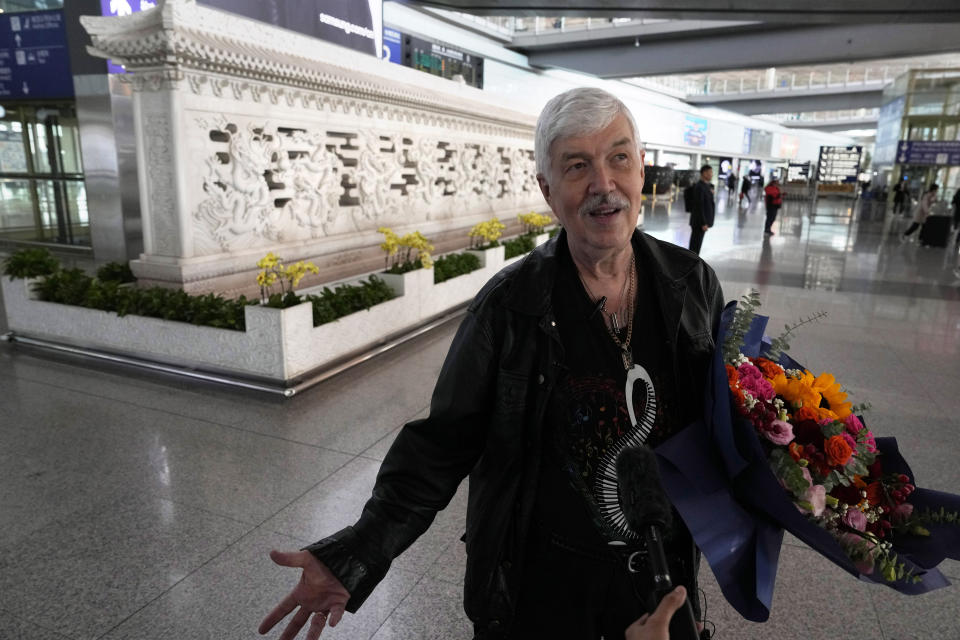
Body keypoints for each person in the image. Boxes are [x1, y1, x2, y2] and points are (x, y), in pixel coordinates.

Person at [258, 87, 724, 640]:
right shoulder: (510, 307)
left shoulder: (691, 284)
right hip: (541, 590)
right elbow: (441, 445)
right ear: (548, 191)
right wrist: (359, 551)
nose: (604, 184)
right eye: (578, 166)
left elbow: (725, 421)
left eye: (618, 157)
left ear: (641, 169)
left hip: (660, 583)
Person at [688, 165, 715, 254]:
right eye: (710, 172)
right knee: (694, 246)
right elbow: (699, 206)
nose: (712, 174)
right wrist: (703, 223)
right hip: (699, 223)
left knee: (697, 246)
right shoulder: (700, 187)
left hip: (701, 222)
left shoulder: (707, 186)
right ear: (704, 173)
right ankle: (692, 265)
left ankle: (694, 263)